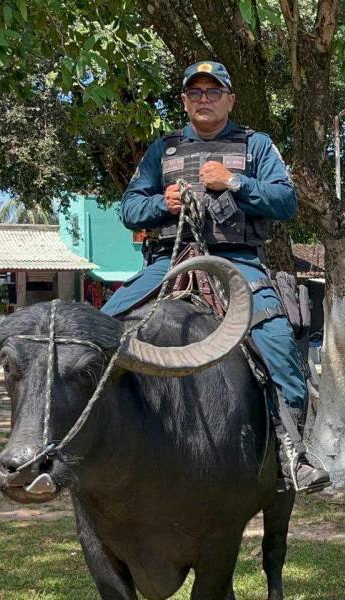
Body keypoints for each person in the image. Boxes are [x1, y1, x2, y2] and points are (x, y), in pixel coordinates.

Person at [103, 60, 330, 493]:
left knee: (278, 344)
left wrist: (235, 182)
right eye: (195, 93)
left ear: (230, 99)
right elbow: (128, 209)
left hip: (236, 263)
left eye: (212, 92)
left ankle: (290, 454)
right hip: (165, 265)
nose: (203, 99)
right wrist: (161, 204)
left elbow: (286, 202)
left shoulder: (256, 145)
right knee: (99, 330)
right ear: (185, 102)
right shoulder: (163, 151)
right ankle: (95, 440)